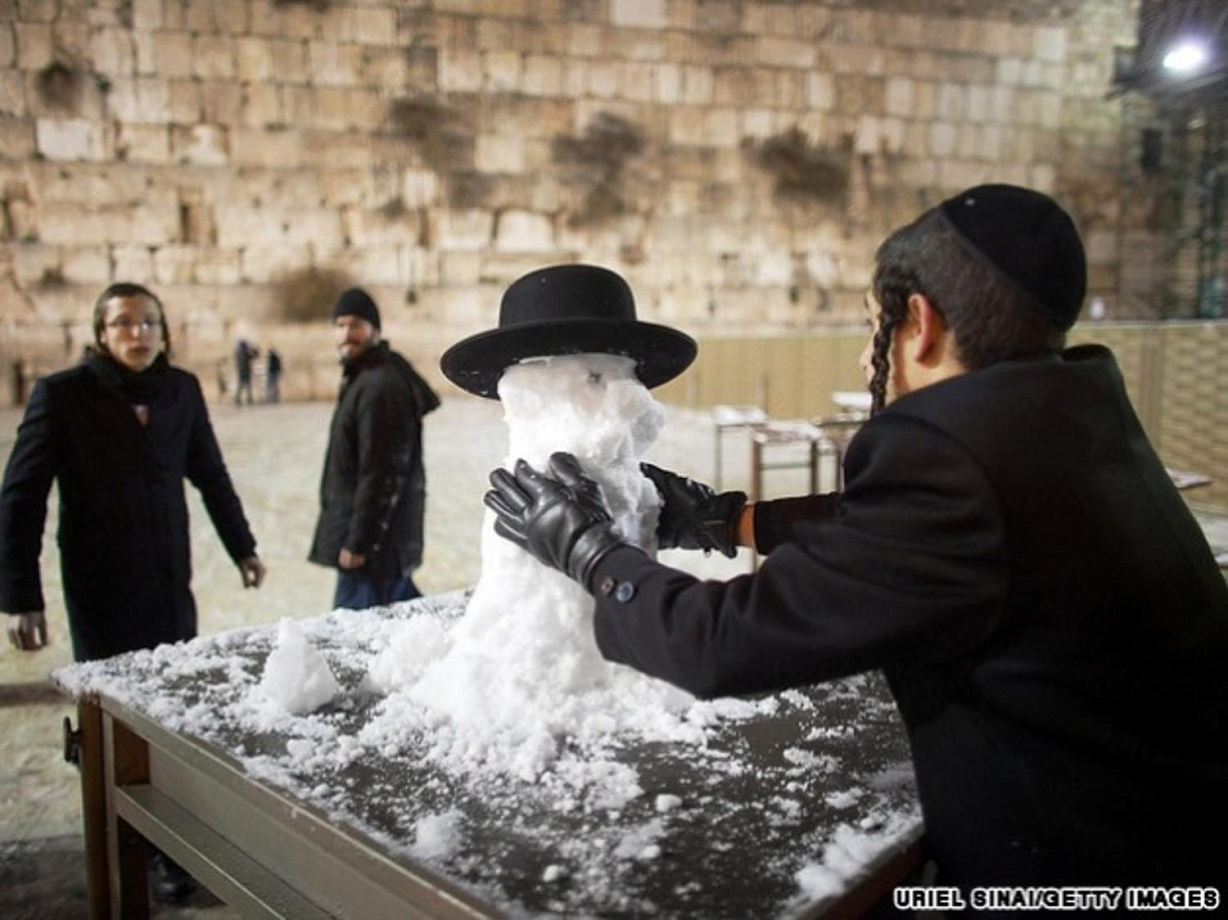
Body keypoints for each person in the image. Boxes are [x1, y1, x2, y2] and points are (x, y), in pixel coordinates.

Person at [484, 186, 1228, 901]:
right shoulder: (1067, 416)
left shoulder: (951, 462)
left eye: (873, 328)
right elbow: (900, 534)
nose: (860, 360)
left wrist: (590, 552)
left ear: (921, 322)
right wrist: (728, 521)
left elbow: (721, 645)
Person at [0, 281, 267, 900]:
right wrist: (20, 594)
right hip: (99, 586)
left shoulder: (182, 391)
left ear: (164, 331)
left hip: (169, 580)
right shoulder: (62, 396)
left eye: (149, 323)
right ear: (101, 333)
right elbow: (21, 497)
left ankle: (174, 848)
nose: (138, 334)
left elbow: (210, 473)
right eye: (123, 323)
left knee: (173, 712)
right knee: (111, 718)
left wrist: (243, 546)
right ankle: (121, 841)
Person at [309, 287, 440, 610]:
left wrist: (359, 543)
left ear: (375, 330)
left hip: (372, 556)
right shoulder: (367, 379)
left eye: (355, 325)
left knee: (356, 648)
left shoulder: (380, 386)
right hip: (380, 552)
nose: (345, 334)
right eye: (339, 325)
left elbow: (382, 472)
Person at [234, 337, 258, 406]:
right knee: (246, 386)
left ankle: (239, 399)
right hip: (245, 371)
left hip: (242, 371)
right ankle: (248, 399)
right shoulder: (244, 353)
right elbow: (254, 356)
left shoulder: (238, 352)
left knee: (242, 386)